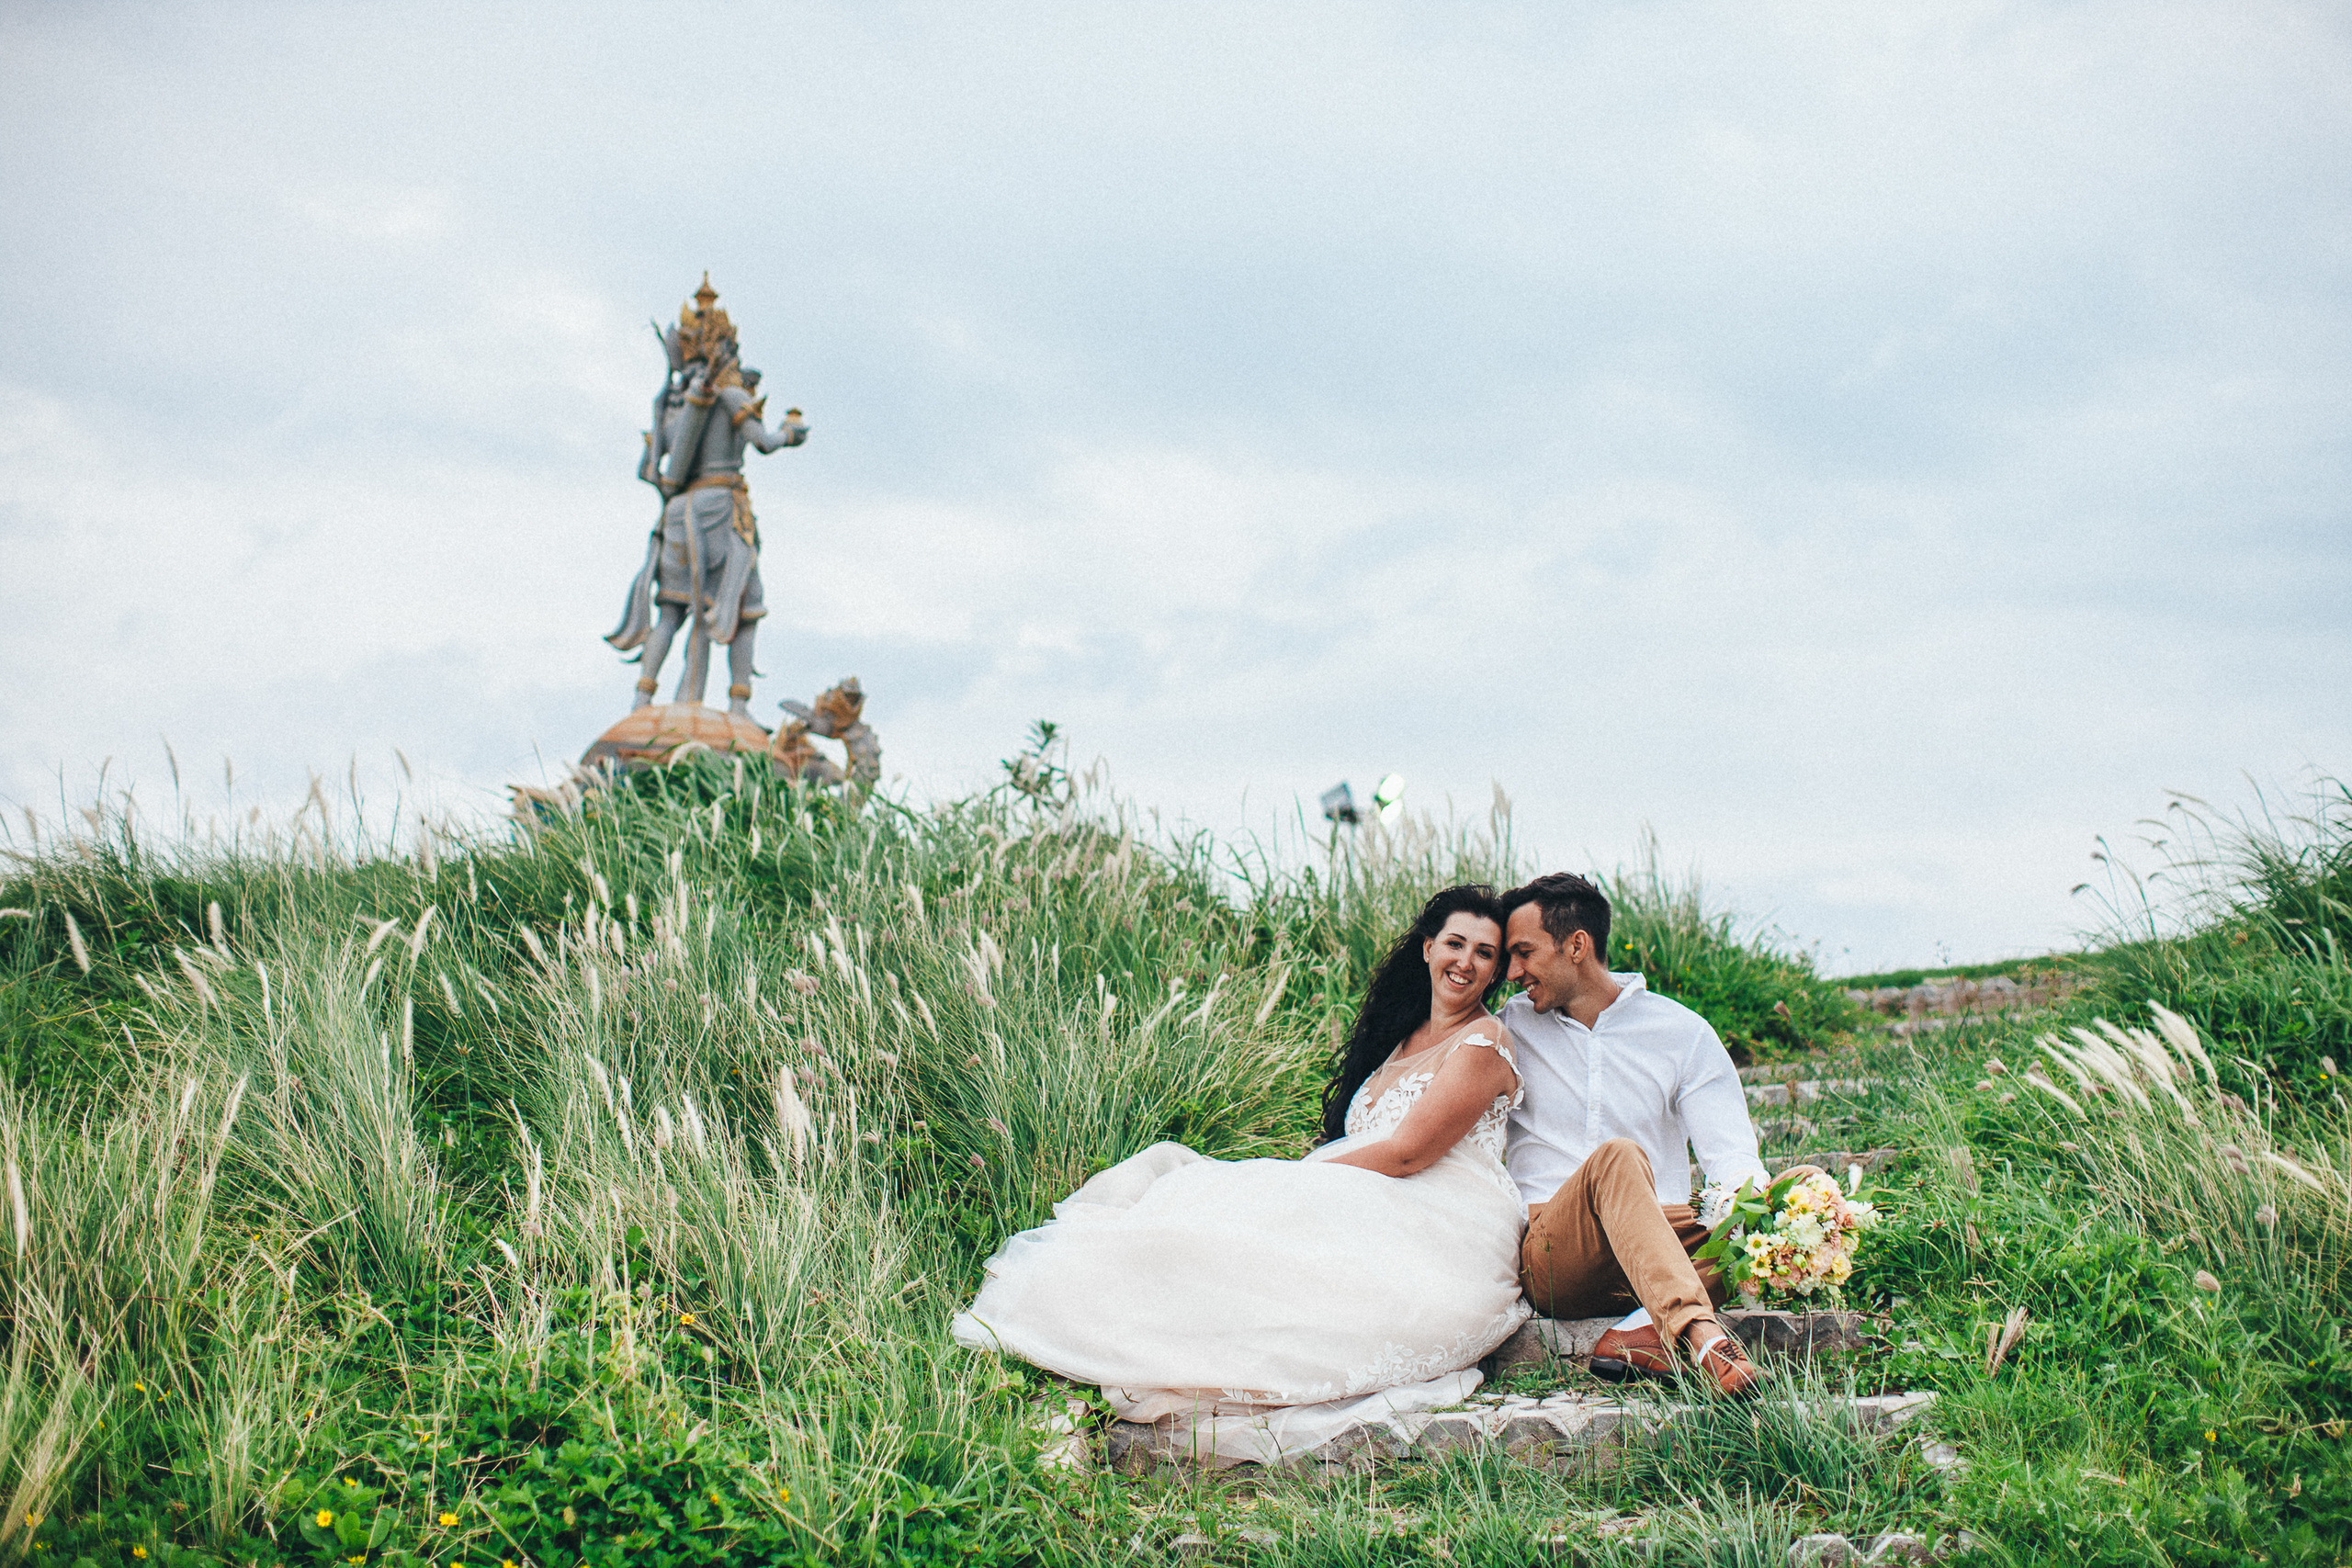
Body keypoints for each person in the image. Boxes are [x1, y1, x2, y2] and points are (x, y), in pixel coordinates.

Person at [950, 886, 1530, 1465]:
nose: (1466, 962)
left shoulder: (1483, 1041)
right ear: (1428, 949)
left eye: (1485, 952)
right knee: (1206, 1213)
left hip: (1442, 1220)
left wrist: (1294, 1179)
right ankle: (1118, 1328)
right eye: (1455, 943)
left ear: (1497, 967)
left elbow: (1407, 1153)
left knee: (1245, 1214)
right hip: (1376, 1197)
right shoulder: (1401, 1037)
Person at [1499, 872, 1809, 1396]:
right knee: (1617, 1157)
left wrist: (1765, 1204)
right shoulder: (1508, 1029)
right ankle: (1700, 1332)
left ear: (1577, 945)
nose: (1512, 972)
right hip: (1559, 1253)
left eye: (1524, 953)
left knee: (1794, 1190)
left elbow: (1732, 1155)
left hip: (1659, 1241)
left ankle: (1642, 1331)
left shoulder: (1681, 1032)